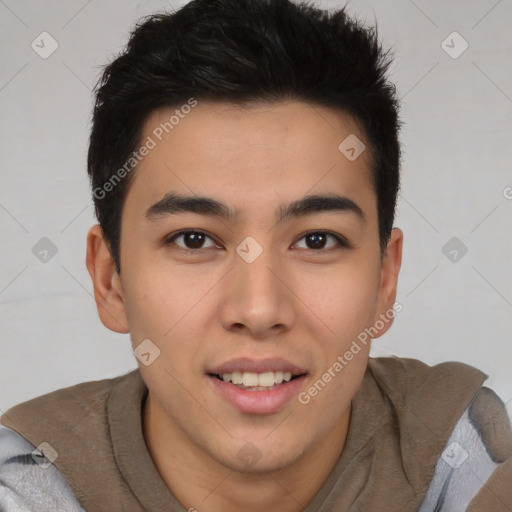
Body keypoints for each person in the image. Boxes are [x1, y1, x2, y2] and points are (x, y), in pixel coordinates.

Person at [1, 0, 511, 510]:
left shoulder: (463, 458)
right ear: (111, 280)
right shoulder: (29, 485)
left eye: (316, 240)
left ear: (384, 279)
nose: (259, 309)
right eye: (194, 240)